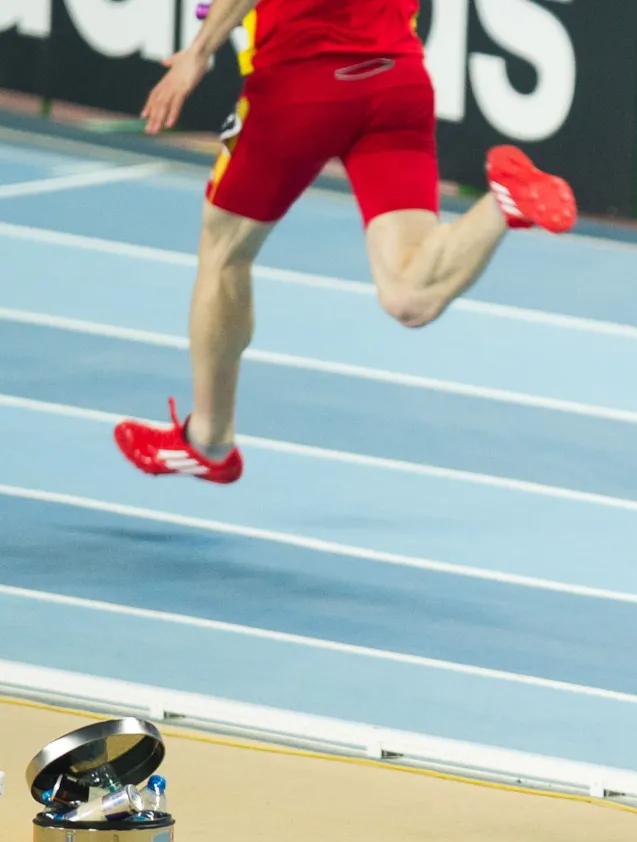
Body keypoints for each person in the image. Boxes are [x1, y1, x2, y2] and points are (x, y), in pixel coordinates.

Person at [113, 0, 577, 483]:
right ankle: (502, 204)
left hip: (300, 84)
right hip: (396, 80)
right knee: (408, 295)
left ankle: (208, 438)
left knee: (224, 250)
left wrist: (199, 51)